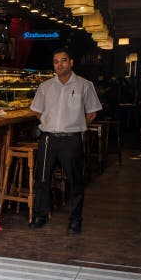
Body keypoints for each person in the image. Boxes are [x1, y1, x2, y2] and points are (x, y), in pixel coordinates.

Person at [29, 48, 102, 235]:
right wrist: (50, 122)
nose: (59, 64)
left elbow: (92, 112)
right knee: (42, 178)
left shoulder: (85, 85)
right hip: (48, 139)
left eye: (63, 60)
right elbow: (37, 110)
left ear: (71, 62)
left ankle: (76, 220)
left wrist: (76, 124)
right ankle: (40, 215)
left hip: (71, 139)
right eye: (56, 61)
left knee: (75, 181)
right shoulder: (45, 86)